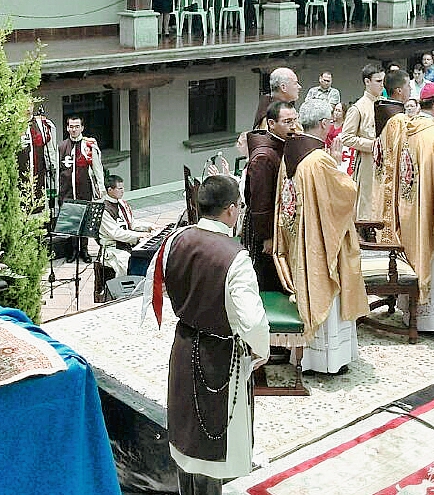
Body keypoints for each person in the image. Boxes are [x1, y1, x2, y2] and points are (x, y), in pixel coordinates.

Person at [140, 175, 268, 495]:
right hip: (218, 355)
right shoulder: (234, 255)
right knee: (212, 441)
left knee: (186, 435)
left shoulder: (175, 239)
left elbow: (160, 286)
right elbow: (251, 319)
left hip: (184, 345)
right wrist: (261, 348)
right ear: (230, 209)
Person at [274, 102, 368, 373]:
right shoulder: (319, 160)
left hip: (299, 239)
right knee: (326, 289)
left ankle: (306, 357)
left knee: (308, 288)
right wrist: (339, 166)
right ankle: (328, 362)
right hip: (321, 241)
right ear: (325, 124)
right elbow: (344, 196)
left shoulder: (290, 153)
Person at [376, 82, 434, 333]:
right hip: (432, 212)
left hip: (409, 208)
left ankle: (412, 312)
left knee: (415, 255)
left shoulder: (408, 131)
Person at [242, 101, 298, 292]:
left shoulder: (282, 145)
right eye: (287, 121)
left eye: (294, 120)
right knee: (269, 280)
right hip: (265, 229)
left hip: (277, 224)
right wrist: (266, 236)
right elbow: (260, 200)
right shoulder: (264, 156)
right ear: (271, 124)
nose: (293, 125)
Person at [341, 64, 384, 221]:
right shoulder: (358, 107)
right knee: (366, 202)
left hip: (385, 161)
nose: (381, 85)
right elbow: (346, 136)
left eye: (382, 81)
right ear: (367, 81)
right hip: (367, 162)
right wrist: (372, 145)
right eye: (378, 81)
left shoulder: (384, 104)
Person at [99, 175, 154, 278]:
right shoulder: (104, 210)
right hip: (113, 248)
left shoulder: (122, 204)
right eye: (119, 188)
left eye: (123, 188)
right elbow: (116, 233)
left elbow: (132, 224)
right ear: (110, 190)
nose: (123, 191)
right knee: (128, 267)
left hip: (128, 244)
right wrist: (139, 235)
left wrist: (149, 227)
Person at [19, 106, 59, 220]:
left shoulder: (42, 124)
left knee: (40, 208)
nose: (27, 108)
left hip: (39, 176)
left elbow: (50, 151)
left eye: (30, 104)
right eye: (24, 104)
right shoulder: (14, 126)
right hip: (21, 177)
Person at [58, 116, 105, 206]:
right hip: (66, 194)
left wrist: (101, 187)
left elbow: (97, 169)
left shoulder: (89, 145)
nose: (74, 130)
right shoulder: (61, 147)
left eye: (77, 126)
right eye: (71, 127)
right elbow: (58, 172)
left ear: (82, 128)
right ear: (67, 128)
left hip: (85, 191)